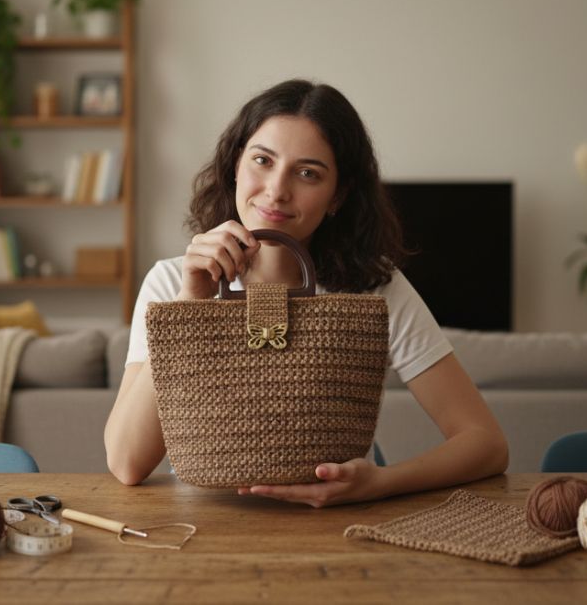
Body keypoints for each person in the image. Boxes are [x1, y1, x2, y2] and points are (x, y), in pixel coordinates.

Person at [105, 79, 509, 507]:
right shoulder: (172, 282)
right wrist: (190, 304)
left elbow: (486, 443)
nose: (277, 190)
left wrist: (380, 483)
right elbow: (126, 463)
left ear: (339, 195)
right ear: (235, 166)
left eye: (307, 173)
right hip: (202, 524)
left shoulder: (373, 289)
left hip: (336, 531)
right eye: (262, 160)